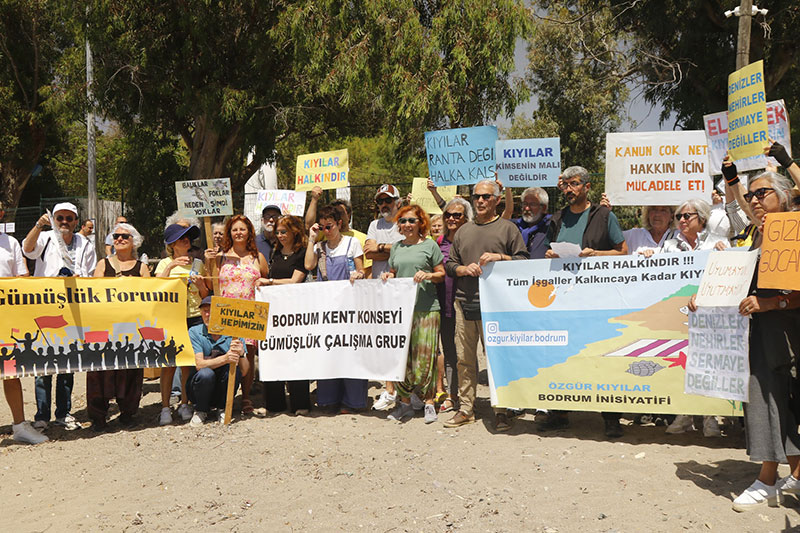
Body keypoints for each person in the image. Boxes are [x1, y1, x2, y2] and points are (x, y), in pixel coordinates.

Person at [688, 170, 800, 511]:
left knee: (791, 403)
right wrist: (704, 296)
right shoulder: (750, 235)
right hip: (761, 333)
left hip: (791, 331)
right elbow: (737, 280)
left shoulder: (795, 230)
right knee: (765, 400)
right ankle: (770, 477)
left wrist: (772, 302)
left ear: (782, 196)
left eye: (761, 193)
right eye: (750, 195)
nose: (753, 200)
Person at [543, 166, 628, 438]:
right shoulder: (557, 218)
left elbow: (622, 252)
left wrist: (596, 254)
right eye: (565, 185)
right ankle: (560, 414)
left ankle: (611, 418)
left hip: (597, 298)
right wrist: (550, 255)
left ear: (587, 187)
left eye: (575, 184)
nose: (569, 189)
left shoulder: (604, 215)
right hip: (564, 299)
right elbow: (548, 249)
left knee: (603, 355)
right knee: (563, 355)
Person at [443, 180, 529, 431]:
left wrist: (499, 257)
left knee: (497, 359)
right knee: (464, 359)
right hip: (464, 303)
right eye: (476, 196)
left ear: (497, 200)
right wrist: (462, 268)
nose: (480, 201)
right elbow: (450, 264)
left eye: (485, 197)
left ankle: (501, 409)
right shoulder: (463, 231)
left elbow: (523, 260)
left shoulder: (508, 228)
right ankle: (466, 409)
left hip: (496, 307)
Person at [22, 202, 96, 431]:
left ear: (76, 221)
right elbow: (27, 249)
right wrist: (37, 226)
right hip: (47, 307)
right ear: (54, 220)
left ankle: (64, 412)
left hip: (74, 308)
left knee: (67, 363)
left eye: (69, 218)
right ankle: (42, 414)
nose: (64, 222)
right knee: (43, 363)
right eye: (60, 218)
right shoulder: (46, 238)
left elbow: (91, 274)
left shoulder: (85, 243)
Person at [380, 205, 445, 423]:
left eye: (412, 221)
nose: (407, 225)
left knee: (426, 357)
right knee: (403, 357)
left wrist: (428, 275)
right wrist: (387, 275)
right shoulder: (396, 247)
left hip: (426, 308)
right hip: (401, 311)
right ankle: (405, 403)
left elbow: (441, 274)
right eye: (403, 221)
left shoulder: (430, 246)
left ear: (421, 224)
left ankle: (428, 402)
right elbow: (394, 272)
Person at [87, 222, 149, 430]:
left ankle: (128, 413)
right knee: (98, 372)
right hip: (104, 327)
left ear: (134, 242)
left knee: (130, 370)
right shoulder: (103, 264)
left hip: (131, 329)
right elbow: (94, 293)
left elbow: (151, 296)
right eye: (116, 236)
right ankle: (98, 417)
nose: (119, 239)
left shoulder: (142, 268)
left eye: (124, 236)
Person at [205, 215, 269, 415]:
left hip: (250, 313)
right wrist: (209, 263)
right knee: (225, 354)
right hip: (225, 312)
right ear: (229, 233)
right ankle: (226, 397)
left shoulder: (258, 257)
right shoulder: (220, 256)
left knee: (247, 356)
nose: (239, 233)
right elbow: (210, 285)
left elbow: (266, 281)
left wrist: (263, 283)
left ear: (249, 231)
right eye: (235, 230)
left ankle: (247, 396)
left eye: (242, 229)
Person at [304, 205, 366, 413]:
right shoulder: (319, 247)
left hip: (349, 307)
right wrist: (312, 238)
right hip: (327, 308)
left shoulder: (352, 243)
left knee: (351, 351)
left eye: (328, 226)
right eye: (321, 227)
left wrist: (358, 275)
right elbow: (308, 266)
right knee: (328, 350)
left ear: (339, 224)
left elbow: (361, 270)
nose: (325, 231)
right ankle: (328, 398)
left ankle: (353, 401)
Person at [0, 202, 48, 444]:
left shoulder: (10, 243)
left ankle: (19, 425)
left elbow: (23, 278)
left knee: (11, 373)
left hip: (6, 319)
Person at [155, 223, 209, 425]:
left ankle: (185, 402)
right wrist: (171, 266)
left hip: (193, 315)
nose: (186, 240)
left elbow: (205, 295)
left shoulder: (198, 264)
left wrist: (201, 284)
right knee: (168, 364)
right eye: (181, 237)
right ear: (172, 244)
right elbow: (156, 288)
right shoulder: (163, 264)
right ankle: (165, 407)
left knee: (188, 362)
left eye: (188, 237)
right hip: (171, 316)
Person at [260, 215, 310, 415]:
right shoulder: (275, 253)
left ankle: (301, 403)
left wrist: (269, 282)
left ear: (294, 232)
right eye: (277, 232)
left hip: (295, 313)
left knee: (296, 354)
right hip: (275, 313)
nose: (280, 236)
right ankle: (275, 403)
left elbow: (295, 280)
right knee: (274, 354)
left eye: (284, 232)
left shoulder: (302, 253)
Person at [364, 184, 404, 410]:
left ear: (398, 202)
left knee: (404, 338)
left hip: (402, 287)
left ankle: (406, 389)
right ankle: (390, 389)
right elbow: (369, 252)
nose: (384, 205)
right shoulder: (373, 224)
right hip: (380, 287)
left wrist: (383, 247)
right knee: (387, 341)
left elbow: (407, 248)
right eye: (380, 201)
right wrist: (392, 248)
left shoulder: (404, 222)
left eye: (388, 200)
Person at [434, 197, 472, 414]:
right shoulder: (438, 242)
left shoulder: (471, 239)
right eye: (447, 215)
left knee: (466, 354)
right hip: (443, 304)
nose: (451, 219)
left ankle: (469, 397)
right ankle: (452, 395)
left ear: (465, 218)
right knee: (450, 352)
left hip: (468, 304)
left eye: (456, 215)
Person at [186, 296, 249, 426]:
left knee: (234, 371)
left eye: (211, 310)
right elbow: (199, 364)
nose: (208, 314)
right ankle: (201, 410)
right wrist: (226, 358)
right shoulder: (194, 332)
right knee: (205, 373)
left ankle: (223, 408)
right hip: (199, 388)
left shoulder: (235, 332)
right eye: (204, 311)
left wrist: (241, 354)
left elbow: (244, 371)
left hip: (222, 385)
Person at [305, 187, 372, 276]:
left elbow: (366, 269)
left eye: (340, 212)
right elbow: (308, 225)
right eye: (323, 227)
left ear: (348, 215)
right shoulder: (322, 240)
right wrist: (314, 199)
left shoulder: (360, 239)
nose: (326, 230)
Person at [661, 199, 729, 253]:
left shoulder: (720, 243)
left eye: (686, 216)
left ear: (702, 218)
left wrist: (721, 253)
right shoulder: (669, 246)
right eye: (679, 217)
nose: (681, 220)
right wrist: (651, 256)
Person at [504, 186, 552, 259]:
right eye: (525, 204)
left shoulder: (552, 225)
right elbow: (503, 221)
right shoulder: (515, 225)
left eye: (532, 204)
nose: (527, 208)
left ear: (544, 208)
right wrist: (507, 189)